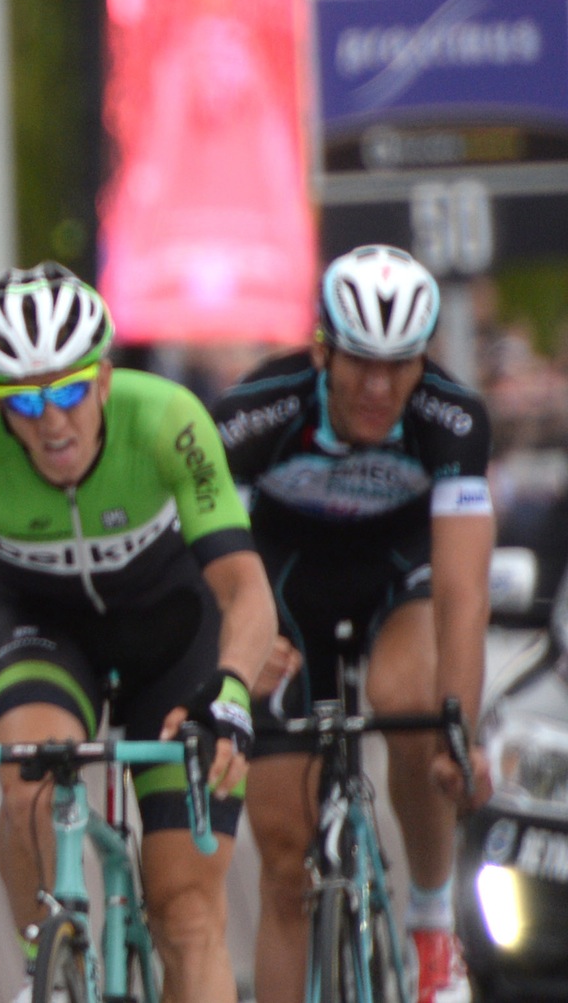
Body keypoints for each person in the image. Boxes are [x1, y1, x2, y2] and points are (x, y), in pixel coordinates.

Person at [0, 264, 275, 1003]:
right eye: (23, 400)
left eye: (67, 390)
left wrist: (230, 693)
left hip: (175, 632)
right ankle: (51, 964)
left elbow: (242, 585)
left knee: (187, 915)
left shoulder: (166, 415)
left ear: (102, 378)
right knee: (26, 785)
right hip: (45, 625)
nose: (50, 420)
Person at [211, 246, 493, 1003]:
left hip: (397, 581)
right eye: (359, 362)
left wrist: (459, 729)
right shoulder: (255, 410)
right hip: (283, 598)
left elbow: (463, 592)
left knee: (413, 701)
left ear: (422, 359)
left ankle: (433, 924)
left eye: (399, 365)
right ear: (321, 348)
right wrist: (239, 641)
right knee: (283, 858)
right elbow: (213, 559)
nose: (377, 386)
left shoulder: (453, 416)